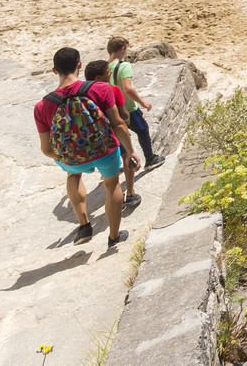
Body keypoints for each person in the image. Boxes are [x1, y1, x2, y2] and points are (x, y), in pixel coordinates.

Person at [34, 47, 135, 249]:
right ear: (80, 64)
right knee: (112, 184)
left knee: (73, 176)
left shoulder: (42, 106)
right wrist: (130, 151)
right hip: (104, 151)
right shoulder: (99, 89)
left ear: (55, 71)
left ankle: (84, 225)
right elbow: (118, 124)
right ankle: (113, 237)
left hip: (71, 159)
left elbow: (46, 149)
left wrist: (66, 157)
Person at [86, 60, 140, 208]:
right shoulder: (113, 90)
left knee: (110, 171)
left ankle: (114, 197)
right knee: (127, 159)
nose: (110, 74)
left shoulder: (83, 93)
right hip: (115, 133)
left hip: (97, 138)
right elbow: (125, 116)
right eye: (107, 72)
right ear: (98, 77)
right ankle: (130, 193)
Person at [107, 37, 162, 172]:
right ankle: (150, 159)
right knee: (142, 130)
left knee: (119, 135)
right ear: (122, 49)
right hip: (128, 107)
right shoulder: (124, 66)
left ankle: (121, 163)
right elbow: (128, 89)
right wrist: (143, 103)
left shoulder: (104, 67)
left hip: (112, 109)